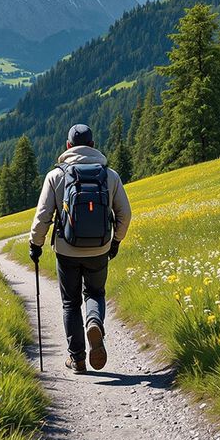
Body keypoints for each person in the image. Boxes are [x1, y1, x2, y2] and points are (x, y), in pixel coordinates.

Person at [28, 123, 131, 373]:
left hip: (66, 249)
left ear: (68, 146)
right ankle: (94, 321)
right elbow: (124, 214)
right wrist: (115, 241)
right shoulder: (110, 175)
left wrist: (35, 244)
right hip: (99, 248)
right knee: (95, 293)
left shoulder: (56, 175)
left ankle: (78, 359)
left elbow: (43, 216)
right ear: (93, 146)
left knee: (70, 303)